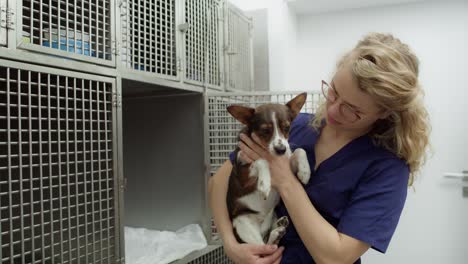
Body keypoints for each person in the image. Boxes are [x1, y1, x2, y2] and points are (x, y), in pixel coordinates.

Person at [208, 32, 431, 264]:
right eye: (333, 91)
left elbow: (335, 258)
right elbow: (219, 182)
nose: (333, 110)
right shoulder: (292, 127)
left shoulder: (387, 167)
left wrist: (285, 180)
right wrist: (231, 245)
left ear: (384, 112)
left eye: (352, 109)